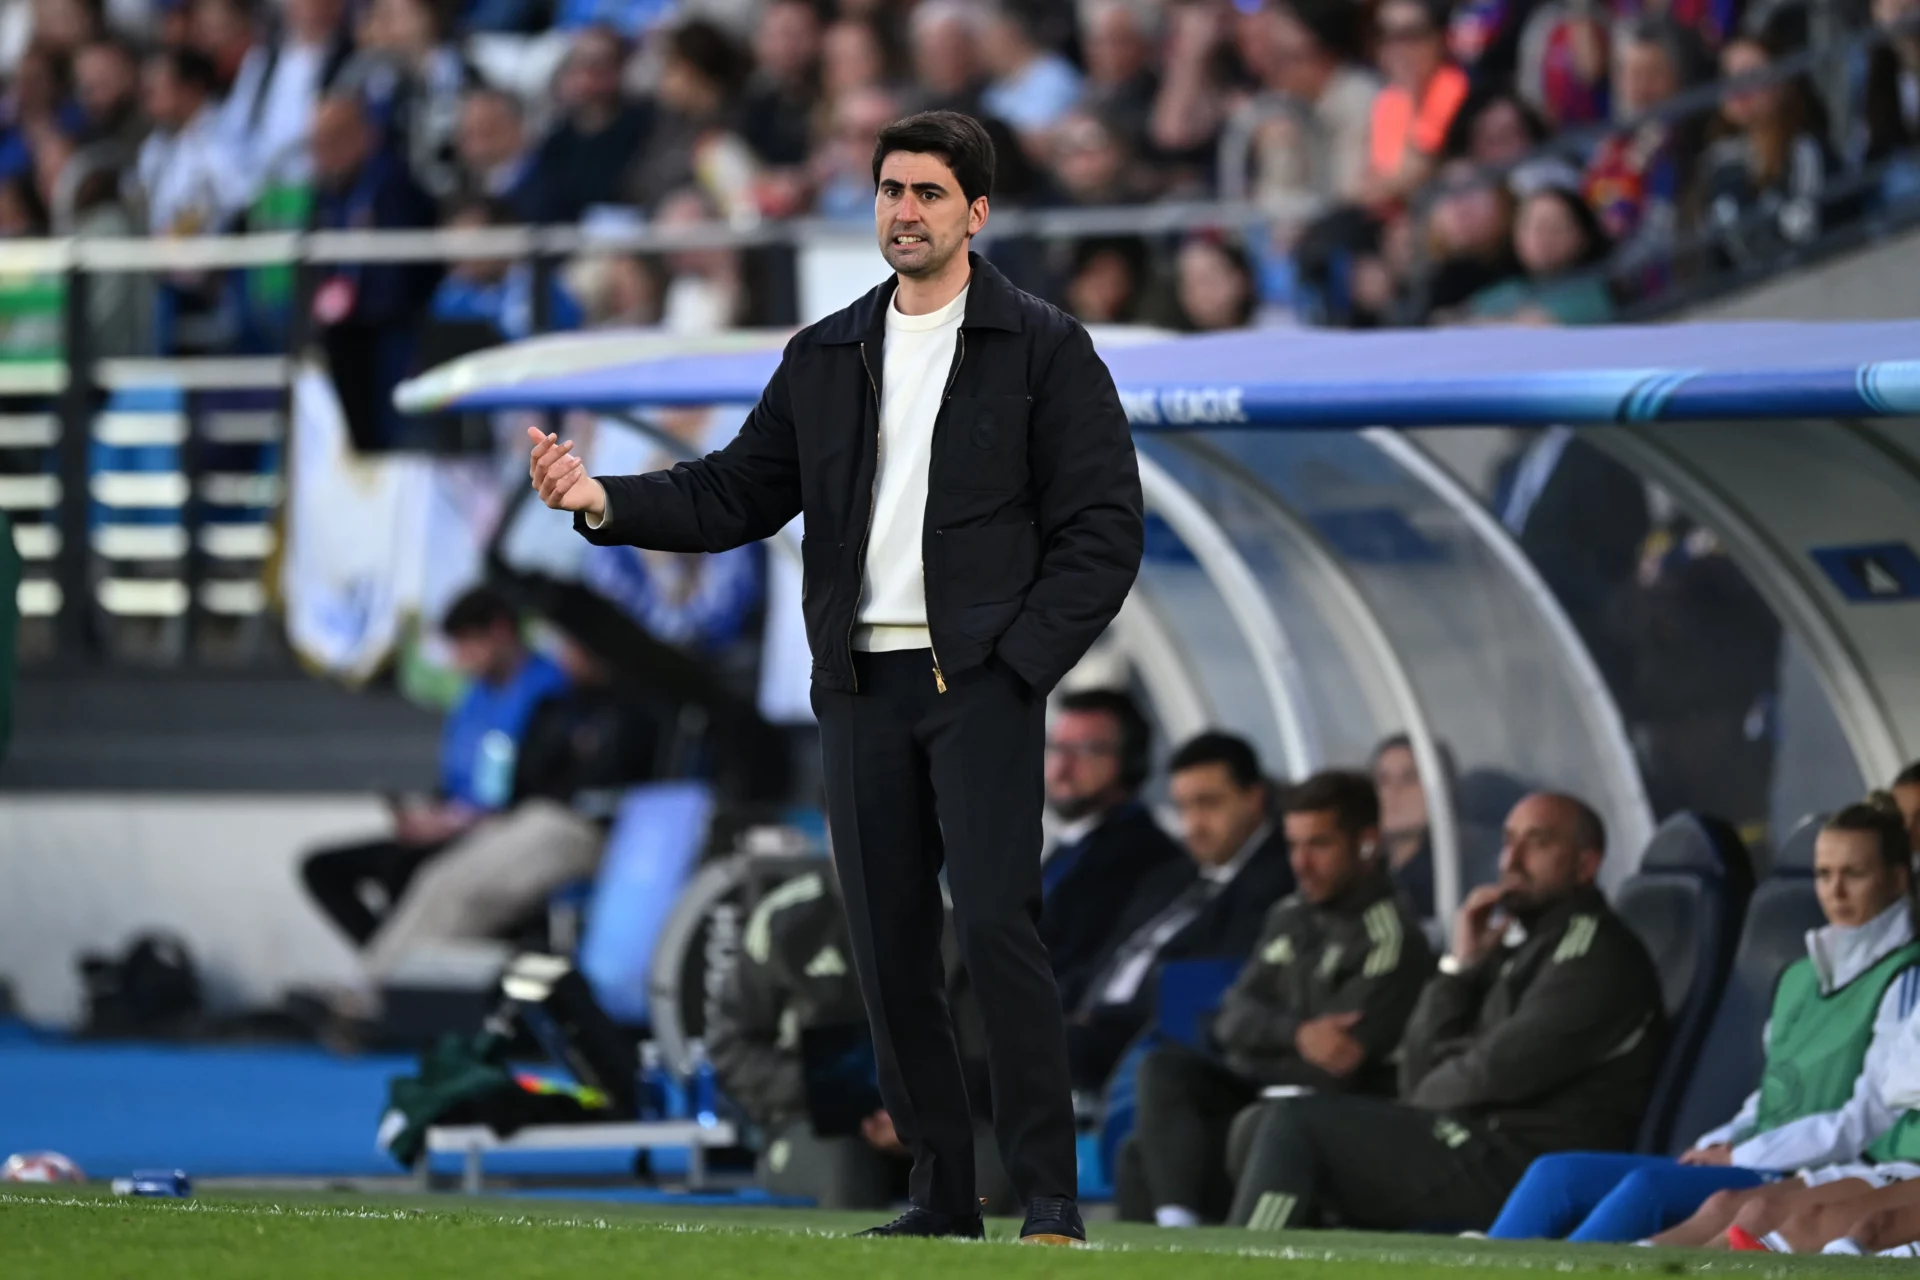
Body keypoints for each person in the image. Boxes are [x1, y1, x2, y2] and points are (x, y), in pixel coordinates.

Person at [528, 110, 1143, 1246]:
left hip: (980, 689)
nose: (902, 210)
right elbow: (731, 493)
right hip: (860, 689)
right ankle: (940, 1192)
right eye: (889, 190)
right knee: (888, 941)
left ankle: (1050, 1195)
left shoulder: (1046, 345)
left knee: (1000, 930)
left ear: (978, 213)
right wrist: (604, 501)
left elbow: (1104, 530)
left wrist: (1016, 666)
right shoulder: (825, 353)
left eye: (926, 192)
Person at [1227, 792, 1666, 1232]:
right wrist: (1460, 967)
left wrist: (1409, 1113)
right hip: (1473, 1142)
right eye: (1508, 841)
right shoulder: (1518, 946)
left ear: (1586, 865)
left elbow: (1496, 1070)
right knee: (1256, 1124)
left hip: (1528, 1167)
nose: (1512, 859)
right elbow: (1418, 1061)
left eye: (1538, 843)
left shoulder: (1594, 955)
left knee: (1292, 1127)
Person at [1489, 796, 1920, 1243]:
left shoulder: (1906, 976)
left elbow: (1866, 1118)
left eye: (1854, 874)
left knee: (1647, 1190)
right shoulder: (1799, 974)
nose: (1835, 892)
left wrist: (1742, 1155)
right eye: (1824, 874)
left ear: (1897, 879)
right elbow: (1772, 1092)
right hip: (1752, 1152)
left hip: (1800, 1165)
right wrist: (1721, 1142)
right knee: (1556, 1174)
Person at [1123, 770, 1436, 1226]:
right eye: (1294, 845)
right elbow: (1232, 1018)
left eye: (1320, 845)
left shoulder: (1391, 936)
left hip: (1334, 1116)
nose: (1302, 863)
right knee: (1158, 1089)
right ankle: (1175, 1231)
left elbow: (1339, 1061)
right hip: (1263, 1096)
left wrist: (1263, 1041)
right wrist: (1297, 1033)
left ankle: (1188, 1246)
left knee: (1258, 1128)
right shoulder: (1289, 916)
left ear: (1367, 843)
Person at [301, 586, 571, 947]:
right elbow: (457, 780)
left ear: (501, 631)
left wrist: (453, 822)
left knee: (405, 871)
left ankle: (402, 974)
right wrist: (429, 816)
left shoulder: (548, 694)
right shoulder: (474, 696)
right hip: (454, 824)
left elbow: (526, 792)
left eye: (468, 644)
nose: (461, 659)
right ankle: (389, 967)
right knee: (323, 868)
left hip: (501, 831)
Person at [1064, 732, 1296, 1093]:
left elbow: (1215, 982)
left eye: (1208, 804)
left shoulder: (1278, 882)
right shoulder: (1171, 875)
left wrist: (1095, 1021)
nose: (1194, 824)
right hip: (1090, 1028)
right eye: (1184, 807)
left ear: (1254, 799)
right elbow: (1106, 959)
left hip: (1146, 1041)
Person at [1039, 689, 1187, 1013]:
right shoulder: (1074, 845)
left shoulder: (1144, 856)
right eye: (1057, 748)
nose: (1062, 767)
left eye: (1085, 750)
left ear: (1130, 759)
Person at [522, 26, 651, 224]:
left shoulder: (647, 125)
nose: (589, 74)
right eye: (581, 64)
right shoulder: (557, 140)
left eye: (600, 65)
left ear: (619, 69)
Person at [1466, 182, 1615, 326]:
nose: (1539, 235)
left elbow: (1533, 326)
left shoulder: (1592, 296)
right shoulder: (1511, 288)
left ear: (1583, 237)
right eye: (1530, 224)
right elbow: (1457, 318)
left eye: (1554, 226)